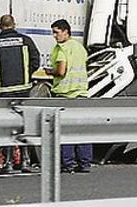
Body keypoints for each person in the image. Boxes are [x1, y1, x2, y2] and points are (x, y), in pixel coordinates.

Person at [0, 14, 40, 174]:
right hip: (23, 90)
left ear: (0, 26)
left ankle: (7, 164)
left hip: (2, 92)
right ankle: (26, 161)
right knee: (23, 125)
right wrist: (26, 75)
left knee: (6, 128)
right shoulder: (26, 41)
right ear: (14, 25)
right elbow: (36, 61)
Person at [46, 19, 92, 173]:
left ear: (66, 32)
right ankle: (85, 163)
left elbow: (61, 71)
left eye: (56, 32)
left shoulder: (62, 49)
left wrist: (49, 72)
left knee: (65, 131)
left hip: (66, 93)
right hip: (81, 93)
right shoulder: (79, 48)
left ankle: (68, 163)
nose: (54, 36)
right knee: (82, 130)